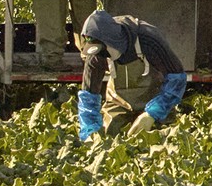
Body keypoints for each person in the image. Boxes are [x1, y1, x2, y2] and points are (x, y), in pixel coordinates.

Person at [75, 9, 187, 141]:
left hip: (154, 99)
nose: (100, 56)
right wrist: (90, 132)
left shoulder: (148, 39)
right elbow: (88, 97)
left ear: (114, 42)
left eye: (104, 52)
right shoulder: (95, 55)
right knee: (111, 137)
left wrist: (152, 114)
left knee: (160, 138)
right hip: (118, 103)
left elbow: (177, 79)